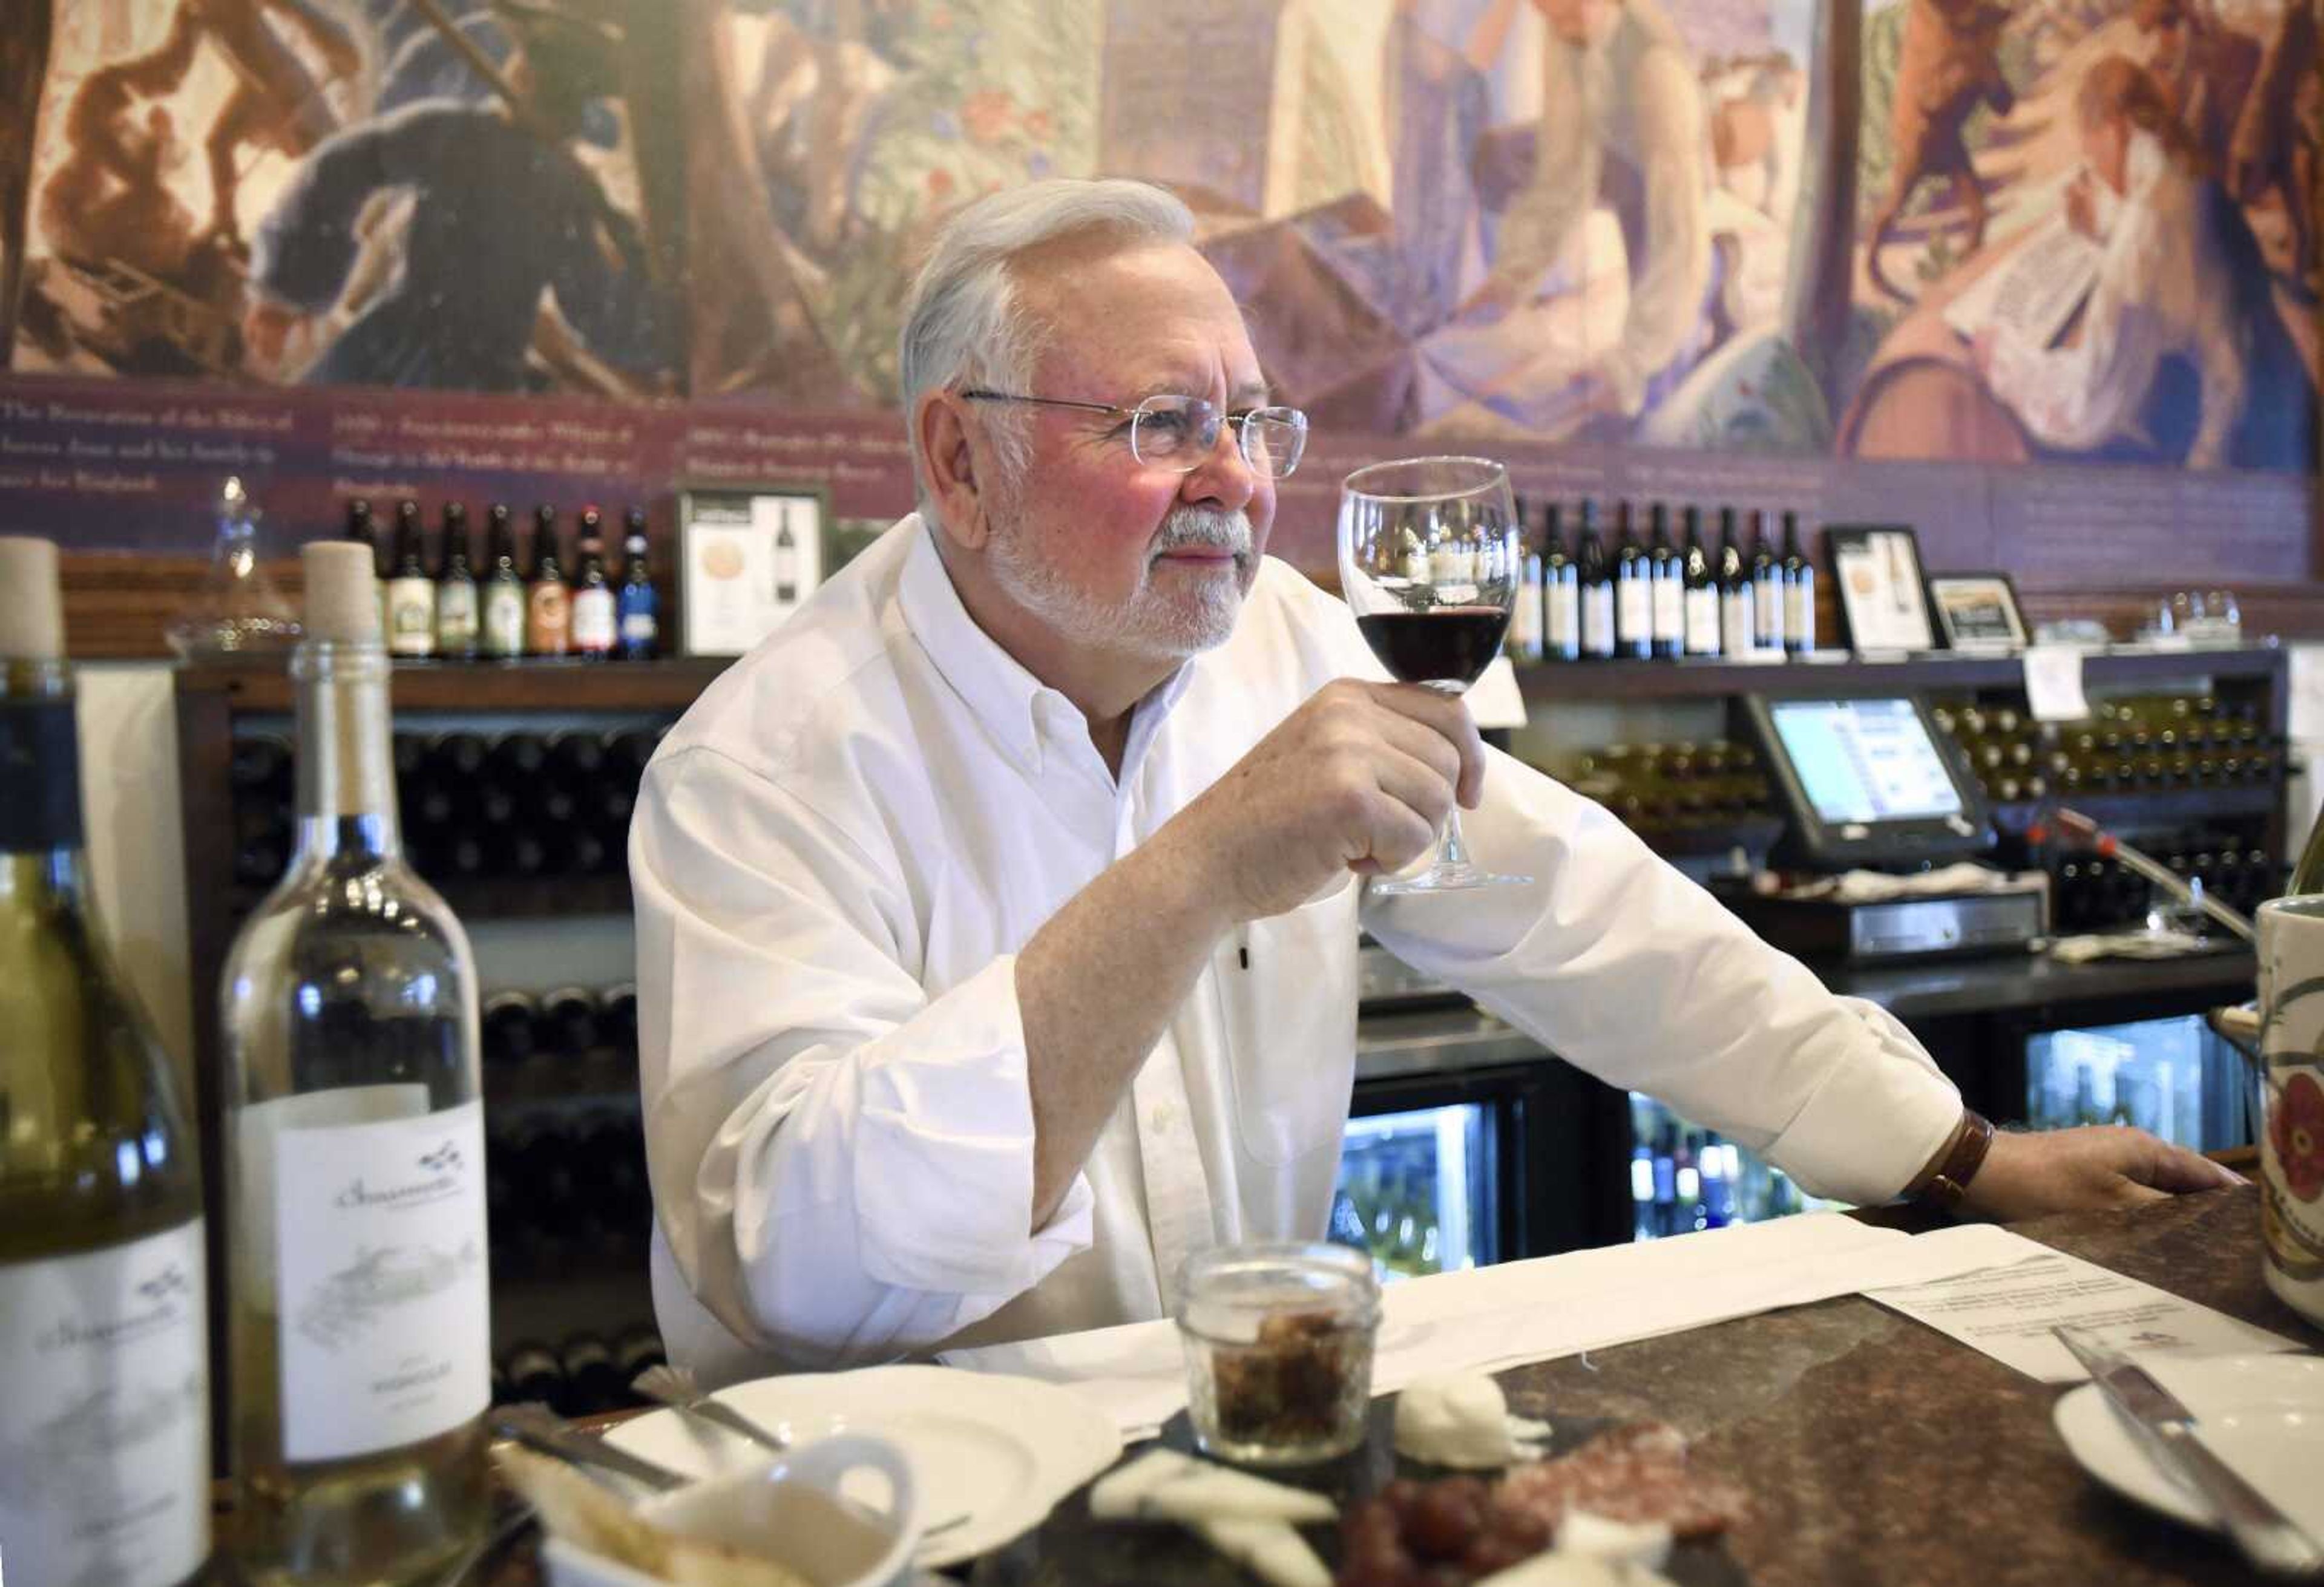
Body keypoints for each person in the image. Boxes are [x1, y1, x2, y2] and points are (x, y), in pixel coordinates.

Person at [632, 178, 2242, 1386]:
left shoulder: (1292, 642)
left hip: (1250, 1439)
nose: (1241, 477)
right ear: (957, 458)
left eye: (1253, 418)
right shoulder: (763, 766)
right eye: (1161, 420)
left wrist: (1957, 1154)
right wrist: (1196, 871)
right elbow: (797, 1259)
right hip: (898, 1510)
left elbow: (1585, 915)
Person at [1975, 54, 2313, 471]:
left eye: (2090, 154)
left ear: (2115, 128)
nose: (2093, 169)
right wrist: (2101, 232)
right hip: (2289, 407)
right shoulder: (2185, 177)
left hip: (2249, 451)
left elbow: (2087, 404)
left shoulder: (2144, 229)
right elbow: (2169, 264)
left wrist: (2004, 364)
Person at [1450, 0, 1713, 420]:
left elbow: (1680, 235)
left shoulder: (1657, 69)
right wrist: (1512, 277)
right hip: (1623, 161)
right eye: (1545, 10)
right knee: (1497, 153)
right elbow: (1563, 169)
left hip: (1672, 192)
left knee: (1655, 384)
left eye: (1567, 10)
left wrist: (1628, 368)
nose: (1553, 18)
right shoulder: (1565, 33)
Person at [2130, 0, 2261, 175]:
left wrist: (2171, 120)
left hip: (2226, 171)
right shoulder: (2156, 72)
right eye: (2144, 34)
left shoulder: (2226, 58)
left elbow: (2217, 162)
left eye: (2167, 23)